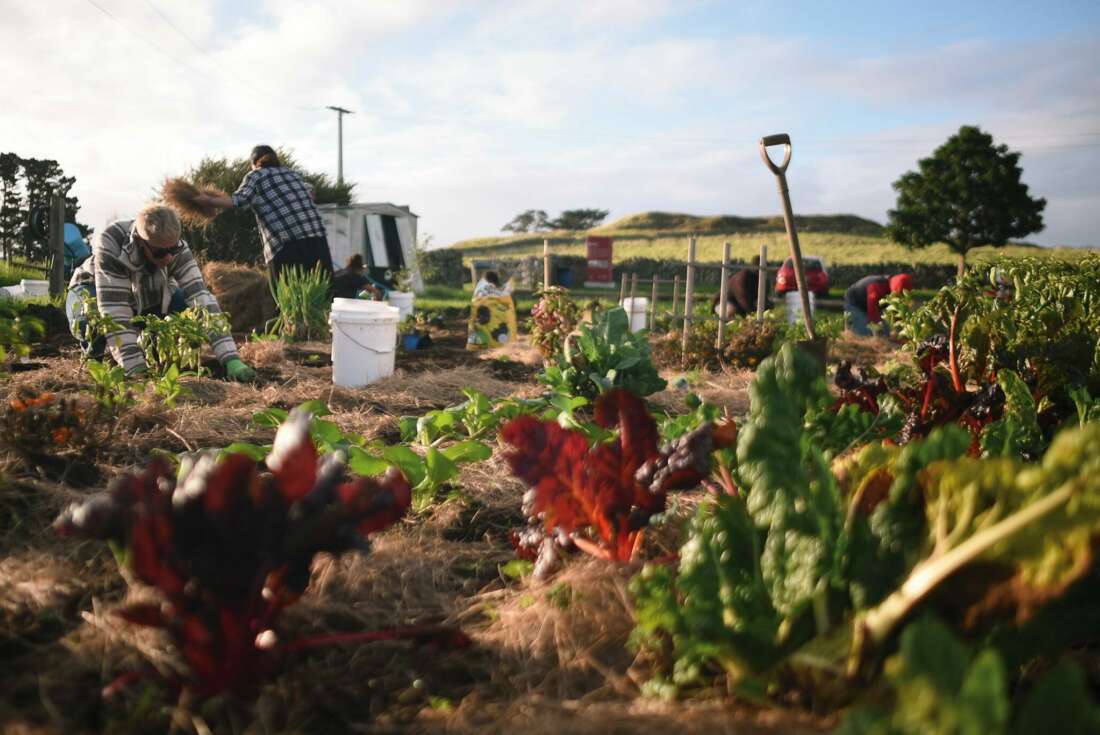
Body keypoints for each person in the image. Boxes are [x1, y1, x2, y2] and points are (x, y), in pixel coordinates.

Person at [66, 204, 255, 381]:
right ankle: (93, 362)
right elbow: (115, 311)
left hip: (142, 293)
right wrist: (136, 370)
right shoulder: (111, 241)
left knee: (184, 306)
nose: (168, 258)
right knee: (90, 317)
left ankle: (155, 355)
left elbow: (201, 299)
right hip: (92, 286)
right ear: (140, 241)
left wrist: (231, 359)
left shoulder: (176, 248)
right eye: (159, 253)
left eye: (173, 249)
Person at [194, 145, 334, 290]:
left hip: (288, 246)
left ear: (254, 164)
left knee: (287, 299)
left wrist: (208, 200)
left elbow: (238, 200)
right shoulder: (292, 174)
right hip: (318, 243)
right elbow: (309, 194)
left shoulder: (257, 175)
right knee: (323, 295)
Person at [844, 273, 912, 336]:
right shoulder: (877, 286)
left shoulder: (892, 287)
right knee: (865, 334)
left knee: (886, 334)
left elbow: (896, 312)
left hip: (869, 305)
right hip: (855, 304)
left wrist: (900, 332)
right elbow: (873, 311)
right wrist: (878, 333)